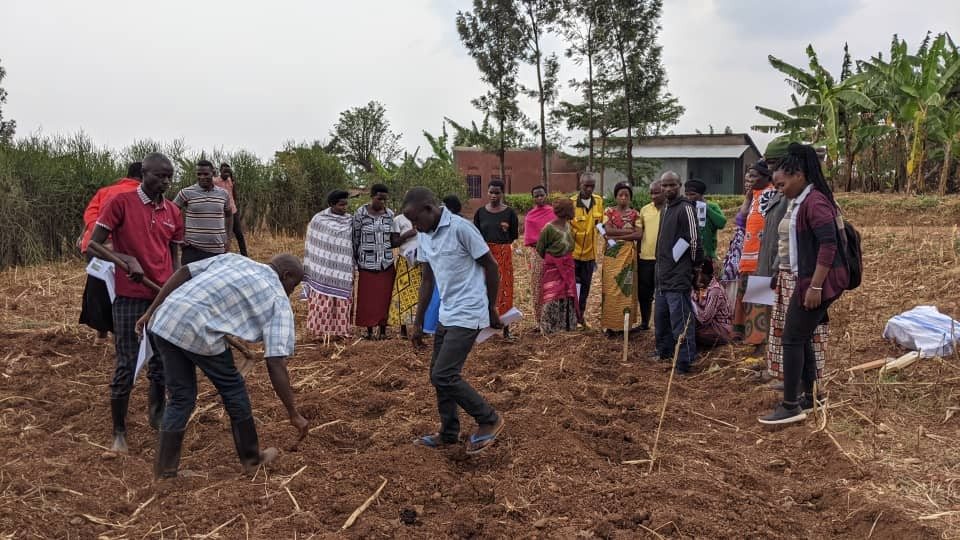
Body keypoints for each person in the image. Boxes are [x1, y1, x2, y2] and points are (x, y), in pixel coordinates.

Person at [136, 253, 309, 477]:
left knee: (181, 397)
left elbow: (184, 272)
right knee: (233, 389)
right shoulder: (278, 299)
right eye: (293, 286)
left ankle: (164, 472)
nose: (291, 292)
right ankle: (252, 460)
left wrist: (150, 312)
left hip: (166, 318)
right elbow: (275, 361)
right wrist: (293, 413)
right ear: (286, 275)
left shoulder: (235, 259)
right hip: (199, 329)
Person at [87, 153, 184, 453]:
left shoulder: (173, 211)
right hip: (130, 296)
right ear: (144, 173)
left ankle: (157, 415)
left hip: (161, 296)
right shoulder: (121, 202)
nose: (165, 182)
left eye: (169, 177)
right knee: (127, 363)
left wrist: (174, 288)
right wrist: (125, 259)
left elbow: (174, 256)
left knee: (161, 361)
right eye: (159, 176)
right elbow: (93, 244)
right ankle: (119, 432)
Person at [404, 187, 505, 454]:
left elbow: (491, 266)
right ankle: (449, 433)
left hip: (469, 311)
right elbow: (428, 280)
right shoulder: (424, 234)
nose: (414, 227)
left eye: (416, 220)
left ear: (429, 209)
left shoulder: (461, 229)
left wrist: (491, 307)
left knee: (444, 374)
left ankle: (489, 419)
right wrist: (418, 323)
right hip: (446, 313)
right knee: (437, 375)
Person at [759, 143, 848, 425]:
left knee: (792, 339)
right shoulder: (801, 200)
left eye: (782, 184)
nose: (780, 189)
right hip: (801, 279)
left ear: (799, 175)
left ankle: (790, 405)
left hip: (815, 283)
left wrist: (816, 287)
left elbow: (828, 245)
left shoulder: (815, 202)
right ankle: (811, 397)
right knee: (801, 336)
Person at [78, 162, 142, 340]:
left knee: (97, 287)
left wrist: (99, 239)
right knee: (121, 291)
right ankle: (116, 330)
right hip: (123, 252)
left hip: (95, 249)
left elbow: (90, 216)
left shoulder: (105, 191)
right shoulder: (141, 195)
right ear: (144, 175)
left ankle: (101, 332)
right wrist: (111, 241)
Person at [653, 171, 702, 374]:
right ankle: (663, 351)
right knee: (661, 318)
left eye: (672, 185)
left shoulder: (686, 208)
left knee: (680, 319)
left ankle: (684, 360)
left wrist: (694, 267)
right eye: (664, 185)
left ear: (679, 185)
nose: (668, 189)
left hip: (677, 276)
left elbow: (694, 240)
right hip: (662, 276)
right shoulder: (666, 207)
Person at [732, 160, 777, 349]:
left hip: (761, 259)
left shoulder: (771, 194)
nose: (749, 179)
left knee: (759, 304)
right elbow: (741, 218)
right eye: (748, 176)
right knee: (749, 299)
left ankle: (759, 345)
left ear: (767, 177)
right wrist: (749, 196)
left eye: (753, 176)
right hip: (748, 257)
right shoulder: (756, 195)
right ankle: (746, 338)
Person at [354, 184, 409, 340]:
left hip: (386, 262)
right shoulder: (360, 214)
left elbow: (392, 239)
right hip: (367, 263)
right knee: (368, 299)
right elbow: (355, 238)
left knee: (385, 297)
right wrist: (356, 259)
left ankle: (383, 331)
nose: (382, 202)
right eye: (379, 199)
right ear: (372, 197)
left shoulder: (390, 215)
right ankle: (369, 331)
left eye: (385, 200)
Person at [304, 190, 355, 341]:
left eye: (346, 204)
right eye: (341, 205)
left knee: (342, 301)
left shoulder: (350, 221)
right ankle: (319, 332)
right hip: (323, 269)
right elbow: (313, 243)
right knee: (322, 299)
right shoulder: (319, 220)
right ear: (331, 204)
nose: (345, 208)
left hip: (343, 269)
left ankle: (340, 331)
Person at [473, 180, 519, 338]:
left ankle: (505, 328)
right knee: (482, 288)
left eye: (497, 192)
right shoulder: (480, 213)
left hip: (503, 255)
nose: (494, 195)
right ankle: (483, 328)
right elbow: (476, 235)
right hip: (484, 254)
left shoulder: (510, 213)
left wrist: (500, 246)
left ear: (502, 193)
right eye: (491, 192)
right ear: (487, 192)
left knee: (504, 289)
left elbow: (513, 236)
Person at [600, 182, 642, 335]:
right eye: (620, 195)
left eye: (626, 195)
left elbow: (639, 234)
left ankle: (625, 326)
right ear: (616, 196)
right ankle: (610, 326)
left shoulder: (635, 214)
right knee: (610, 289)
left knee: (626, 290)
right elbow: (607, 231)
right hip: (612, 257)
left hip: (628, 258)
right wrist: (629, 233)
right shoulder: (609, 211)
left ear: (630, 197)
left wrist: (616, 235)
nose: (623, 198)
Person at [173, 159, 233, 264]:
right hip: (192, 249)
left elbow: (229, 215)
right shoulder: (186, 193)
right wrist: (180, 237)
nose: (202, 177)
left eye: (206, 174)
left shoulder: (223, 194)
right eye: (199, 174)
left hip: (217, 250)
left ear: (213, 173)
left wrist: (228, 238)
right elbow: (171, 213)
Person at [535, 198, 580, 333]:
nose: (573, 211)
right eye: (572, 208)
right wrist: (554, 259)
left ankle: (565, 326)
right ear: (567, 211)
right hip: (554, 268)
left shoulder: (568, 226)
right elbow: (540, 248)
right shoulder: (548, 228)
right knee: (553, 296)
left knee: (566, 296)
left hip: (567, 266)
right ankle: (549, 327)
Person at [720, 166, 760, 311]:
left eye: (752, 179)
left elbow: (743, 217)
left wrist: (749, 197)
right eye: (746, 180)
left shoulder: (760, 200)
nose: (748, 183)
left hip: (752, 247)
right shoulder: (751, 198)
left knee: (753, 296)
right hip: (740, 245)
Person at [569, 172, 604, 326]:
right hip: (573, 256)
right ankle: (571, 319)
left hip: (590, 256)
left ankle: (580, 318)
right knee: (573, 289)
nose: (589, 189)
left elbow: (600, 225)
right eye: (586, 186)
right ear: (580, 184)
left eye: (592, 186)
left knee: (585, 289)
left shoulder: (598, 201)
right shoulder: (571, 203)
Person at [523, 185, 556, 327]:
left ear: (546, 195)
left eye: (542, 195)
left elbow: (559, 232)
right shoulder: (530, 216)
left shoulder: (554, 213)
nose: (540, 198)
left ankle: (553, 319)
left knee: (553, 286)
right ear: (533, 198)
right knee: (537, 286)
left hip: (554, 254)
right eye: (536, 196)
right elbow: (530, 240)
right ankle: (539, 321)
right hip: (538, 255)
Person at [635, 181, 664, 330]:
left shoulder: (670, 209)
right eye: (651, 193)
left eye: (656, 192)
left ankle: (662, 325)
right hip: (646, 258)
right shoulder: (644, 210)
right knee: (644, 293)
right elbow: (640, 235)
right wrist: (637, 255)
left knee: (662, 293)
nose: (653, 196)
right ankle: (645, 322)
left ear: (664, 192)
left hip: (663, 259)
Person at [388, 211, 422, 338]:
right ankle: (403, 329)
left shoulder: (423, 217)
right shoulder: (398, 220)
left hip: (421, 261)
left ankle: (421, 327)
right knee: (402, 294)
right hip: (405, 261)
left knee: (421, 294)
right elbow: (394, 243)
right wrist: (407, 235)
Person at [684, 178, 726, 269]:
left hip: (707, 256)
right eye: (686, 194)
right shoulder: (685, 208)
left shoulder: (712, 207)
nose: (689, 198)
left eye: (692, 194)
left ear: (701, 195)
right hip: (687, 256)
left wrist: (706, 209)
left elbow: (721, 223)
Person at [692, 260, 732, 347]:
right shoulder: (703, 288)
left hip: (721, 330)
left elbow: (705, 319)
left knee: (691, 334)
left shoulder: (715, 290)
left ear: (703, 275)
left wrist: (691, 302)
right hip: (711, 326)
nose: (696, 277)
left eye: (698, 274)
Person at [213, 163, 247, 257]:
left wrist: (233, 182)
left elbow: (234, 195)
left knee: (239, 234)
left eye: (228, 172)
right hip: (222, 213)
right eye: (225, 171)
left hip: (233, 211)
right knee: (224, 236)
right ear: (220, 171)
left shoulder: (230, 180)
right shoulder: (215, 181)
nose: (227, 174)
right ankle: (221, 256)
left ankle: (245, 256)